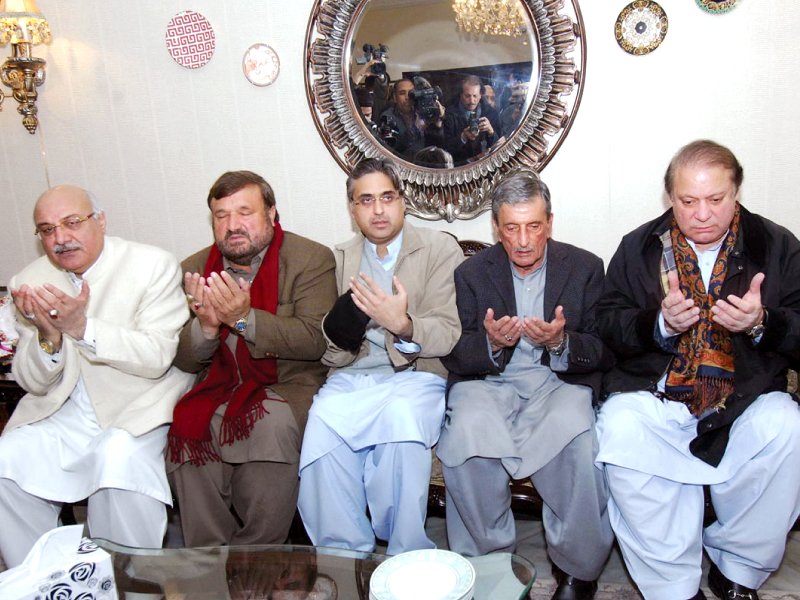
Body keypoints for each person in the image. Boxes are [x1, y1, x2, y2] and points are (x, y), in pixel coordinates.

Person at [595, 140, 800, 600]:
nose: (702, 214)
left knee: (787, 426)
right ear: (671, 198)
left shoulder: (777, 246)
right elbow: (607, 325)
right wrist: (660, 324)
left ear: (737, 194)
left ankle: (736, 572)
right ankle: (672, 586)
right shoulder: (640, 247)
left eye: (716, 199)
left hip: (743, 397)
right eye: (688, 201)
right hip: (659, 393)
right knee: (620, 429)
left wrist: (763, 323)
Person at [438, 170, 614, 600]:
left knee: (576, 432)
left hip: (557, 381)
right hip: (489, 382)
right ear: (495, 227)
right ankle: (491, 564)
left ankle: (577, 571)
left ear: (550, 223)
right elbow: (455, 351)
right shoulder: (472, 273)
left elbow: (605, 347)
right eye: (511, 228)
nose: (522, 240)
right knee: (466, 432)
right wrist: (492, 344)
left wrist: (561, 341)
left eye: (533, 226)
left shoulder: (586, 267)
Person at [0, 185, 193, 568]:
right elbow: (32, 382)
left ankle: (128, 582)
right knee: (5, 460)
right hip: (62, 411)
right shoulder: (30, 280)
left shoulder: (152, 264)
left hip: (139, 404)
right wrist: (48, 337)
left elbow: (156, 356)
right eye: (48, 229)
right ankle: (44, 579)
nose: (60, 238)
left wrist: (83, 327)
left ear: (100, 220)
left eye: (72, 223)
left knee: (117, 461)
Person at [297, 158, 463, 555]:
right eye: (365, 200)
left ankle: (404, 550)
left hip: (417, 375)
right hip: (353, 377)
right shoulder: (337, 259)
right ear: (353, 210)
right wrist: (347, 328)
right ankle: (345, 552)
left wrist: (402, 325)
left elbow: (450, 331)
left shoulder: (440, 249)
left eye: (387, 197)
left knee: (401, 419)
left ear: (403, 202)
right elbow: (331, 350)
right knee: (322, 427)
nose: (378, 209)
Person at [167, 170, 337, 547]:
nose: (232, 226)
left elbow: (314, 340)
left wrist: (243, 320)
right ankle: (209, 561)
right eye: (221, 215)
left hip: (288, 383)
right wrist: (208, 328)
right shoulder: (192, 269)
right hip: (220, 386)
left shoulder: (310, 259)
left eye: (244, 212)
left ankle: (258, 559)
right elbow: (181, 359)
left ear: (272, 214)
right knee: (188, 428)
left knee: (269, 424)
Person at [379, 78, 444, 160]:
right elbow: (390, 149)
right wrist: (415, 128)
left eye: (411, 93)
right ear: (395, 97)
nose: (407, 97)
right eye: (402, 93)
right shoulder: (386, 118)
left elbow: (437, 145)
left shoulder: (422, 111)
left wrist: (438, 124)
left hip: (425, 164)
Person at [443, 75, 502, 163]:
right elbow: (444, 151)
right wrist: (463, 137)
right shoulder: (449, 114)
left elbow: (501, 148)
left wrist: (491, 132)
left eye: (475, 96)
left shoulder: (491, 113)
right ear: (461, 95)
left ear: (481, 95)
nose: (471, 101)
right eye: (467, 96)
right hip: (460, 167)